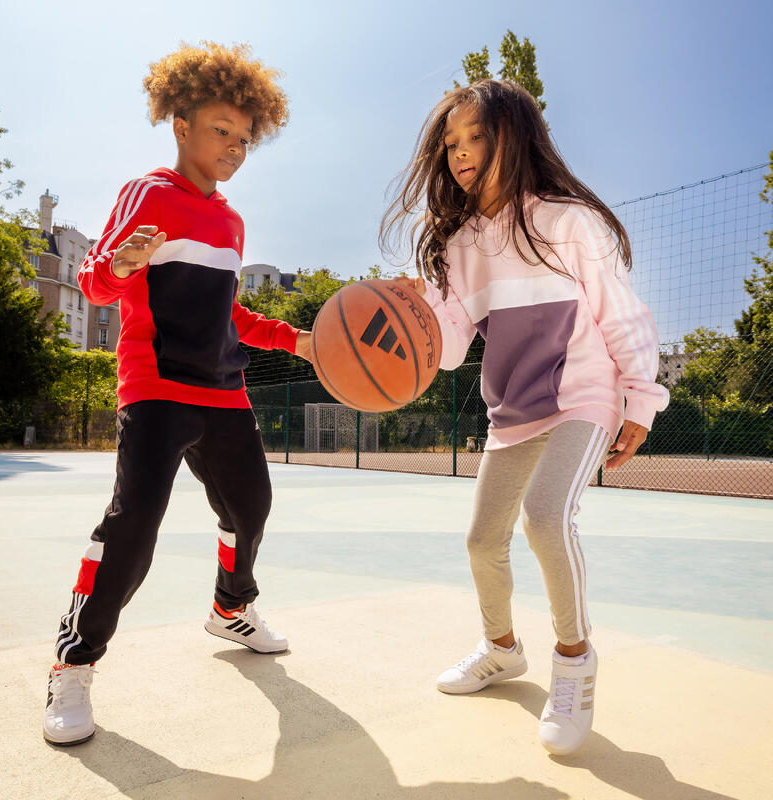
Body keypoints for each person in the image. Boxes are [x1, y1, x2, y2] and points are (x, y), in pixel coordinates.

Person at [382, 79, 668, 755]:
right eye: (450, 142)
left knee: (546, 516)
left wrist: (641, 399)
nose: (461, 151)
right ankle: (502, 650)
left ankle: (573, 659)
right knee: (483, 540)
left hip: (584, 393)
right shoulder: (455, 246)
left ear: (517, 135)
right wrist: (418, 305)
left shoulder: (568, 222)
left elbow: (620, 314)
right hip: (511, 411)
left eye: (478, 135)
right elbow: (450, 351)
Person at [43, 42, 311, 746]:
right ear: (181, 124)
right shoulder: (150, 193)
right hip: (158, 386)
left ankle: (231, 608)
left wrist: (297, 339)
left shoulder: (229, 221)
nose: (234, 147)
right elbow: (96, 282)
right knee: (134, 528)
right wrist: (124, 261)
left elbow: (232, 315)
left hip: (224, 390)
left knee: (251, 507)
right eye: (221, 129)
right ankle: (72, 664)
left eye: (245, 138)